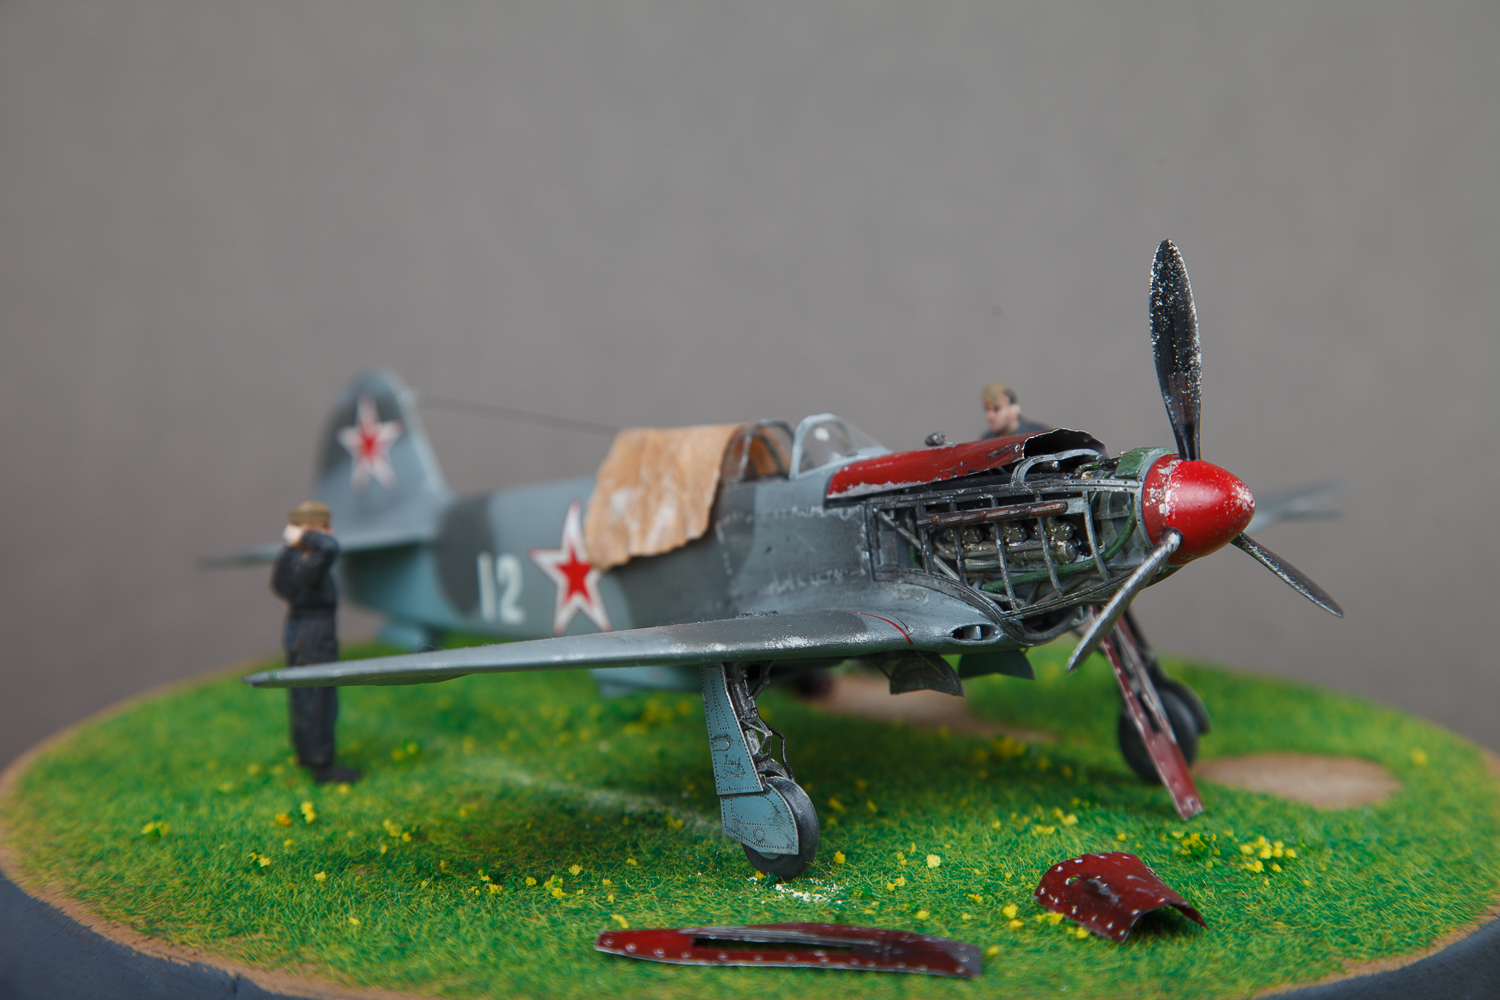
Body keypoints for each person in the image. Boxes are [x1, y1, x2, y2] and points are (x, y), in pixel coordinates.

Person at [271, 500, 360, 784]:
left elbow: (278, 587)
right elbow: (331, 548)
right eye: (324, 526)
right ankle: (321, 763)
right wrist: (307, 537)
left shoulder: (289, 557)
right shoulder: (307, 555)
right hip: (314, 631)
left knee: (303, 694)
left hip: (299, 627)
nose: (329, 531)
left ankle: (304, 752)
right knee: (318, 698)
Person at [981, 382, 1049, 439]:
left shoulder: (1038, 435)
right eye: (987, 409)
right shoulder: (986, 439)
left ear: (1013, 408)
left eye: (996, 408)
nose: (990, 415)